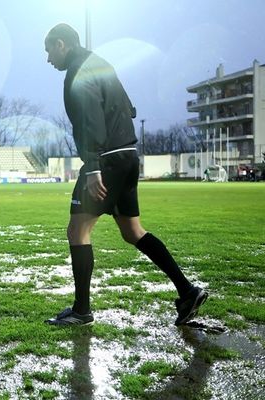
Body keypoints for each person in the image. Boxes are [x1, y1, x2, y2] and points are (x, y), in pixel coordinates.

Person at [43, 24, 207, 326]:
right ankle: (187, 291)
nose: (48, 58)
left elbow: (89, 120)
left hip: (105, 161)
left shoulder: (78, 71)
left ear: (62, 44)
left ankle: (82, 310)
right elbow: (129, 109)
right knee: (133, 232)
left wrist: (92, 167)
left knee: (77, 230)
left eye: (49, 50)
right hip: (128, 155)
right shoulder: (101, 63)